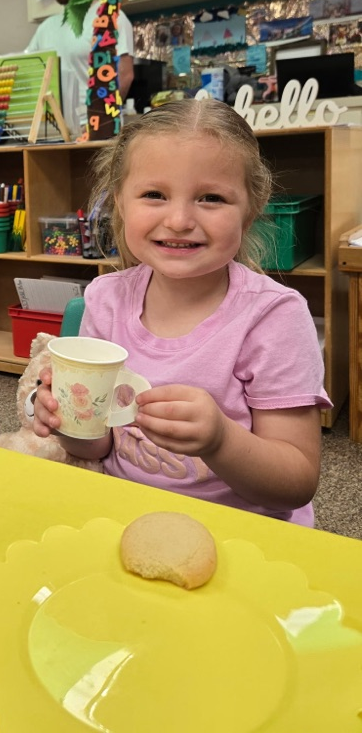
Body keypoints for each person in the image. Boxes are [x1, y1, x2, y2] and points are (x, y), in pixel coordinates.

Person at [32, 99, 330, 525]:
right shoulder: (105, 299)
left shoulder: (273, 318)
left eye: (211, 198)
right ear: (120, 201)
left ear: (250, 210)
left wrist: (220, 440)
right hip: (127, 516)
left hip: (241, 531)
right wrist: (69, 421)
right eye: (154, 194)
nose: (178, 219)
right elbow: (98, 446)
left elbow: (296, 481)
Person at [25, 0, 134, 138]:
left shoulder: (109, 16)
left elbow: (124, 75)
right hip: (55, 135)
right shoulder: (46, 28)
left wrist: (100, 122)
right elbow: (23, 68)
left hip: (97, 132)